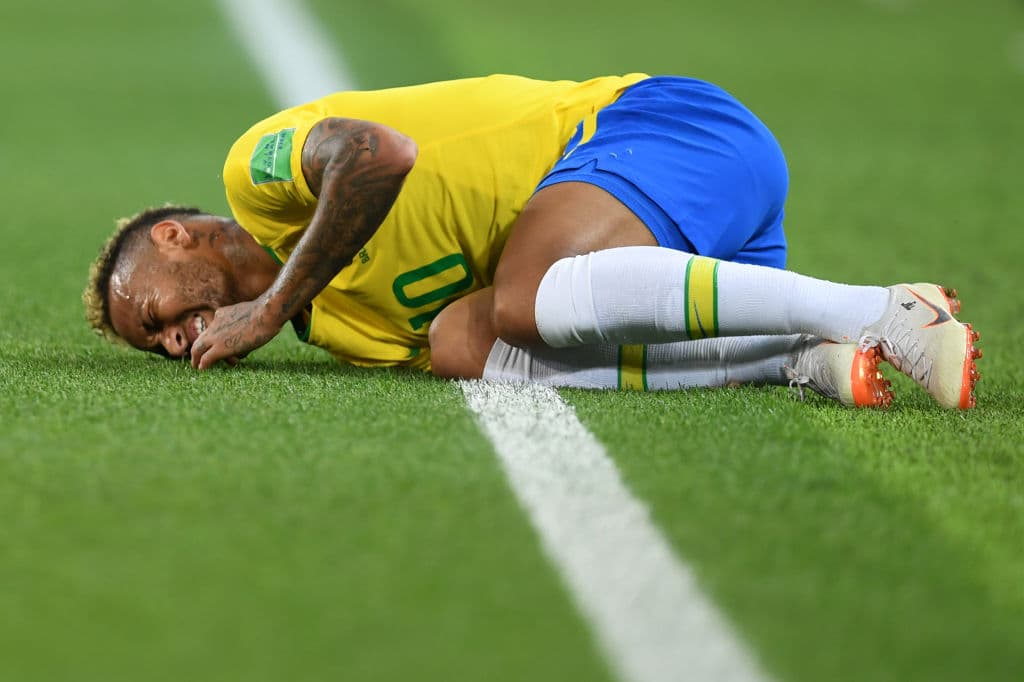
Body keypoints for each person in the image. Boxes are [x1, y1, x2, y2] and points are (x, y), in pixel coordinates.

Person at [83, 74, 981, 408]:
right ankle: (790, 357)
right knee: (461, 344)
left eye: (157, 313)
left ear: (177, 237)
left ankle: (879, 311)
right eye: (158, 346)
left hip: (674, 130)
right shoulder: (341, 333)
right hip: (695, 259)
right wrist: (294, 314)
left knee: (521, 296)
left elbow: (377, 153)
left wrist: (270, 308)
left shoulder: (257, 174)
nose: (173, 339)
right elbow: (511, 342)